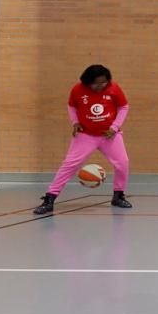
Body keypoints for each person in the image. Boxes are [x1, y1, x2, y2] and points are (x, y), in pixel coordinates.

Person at [32, 64, 132, 216]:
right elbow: (72, 106)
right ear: (87, 82)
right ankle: (49, 199)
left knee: (123, 163)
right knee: (69, 165)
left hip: (109, 135)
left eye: (103, 82)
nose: (100, 86)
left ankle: (118, 195)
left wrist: (115, 126)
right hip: (86, 135)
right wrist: (75, 122)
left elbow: (124, 107)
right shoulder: (78, 90)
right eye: (96, 83)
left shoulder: (114, 88)